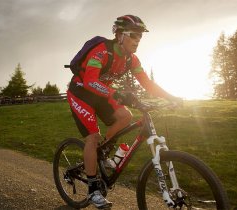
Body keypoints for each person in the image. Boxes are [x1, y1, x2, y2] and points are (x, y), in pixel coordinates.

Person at [66, 15, 182, 209]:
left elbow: (148, 84)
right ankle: (93, 189)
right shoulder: (101, 52)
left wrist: (171, 97)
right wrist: (116, 93)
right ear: (119, 35)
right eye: (134, 36)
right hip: (81, 93)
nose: (138, 41)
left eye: (140, 37)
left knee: (126, 116)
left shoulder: (131, 59)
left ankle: (101, 151)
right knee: (93, 137)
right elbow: (90, 81)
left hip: (101, 92)